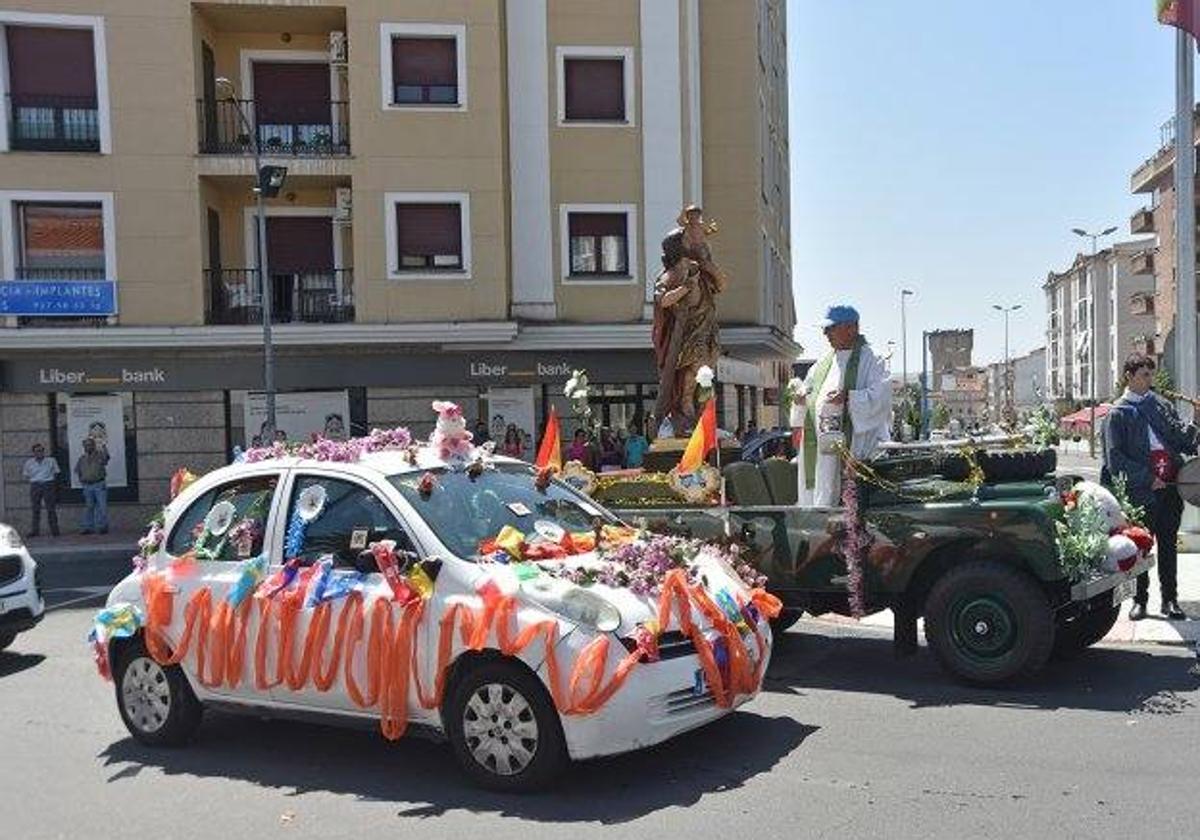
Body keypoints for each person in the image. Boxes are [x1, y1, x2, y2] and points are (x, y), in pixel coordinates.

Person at [1102, 353, 1196, 620]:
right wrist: (1147, 478)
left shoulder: (1161, 405)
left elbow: (1183, 441)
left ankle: (1170, 600)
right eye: (1145, 374)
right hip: (1141, 491)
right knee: (1139, 546)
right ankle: (1139, 601)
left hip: (1170, 486)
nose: (1150, 379)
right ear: (1129, 376)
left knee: (1168, 545)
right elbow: (1115, 459)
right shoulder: (1117, 414)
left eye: (1151, 374)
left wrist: (1196, 421)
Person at [796, 305, 892, 507]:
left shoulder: (873, 359)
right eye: (825, 329)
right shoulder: (823, 363)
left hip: (855, 449)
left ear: (852, 328)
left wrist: (849, 397)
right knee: (822, 492)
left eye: (831, 328)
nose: (825, 334)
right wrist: (802, 396)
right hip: (821, 451)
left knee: (848, 501)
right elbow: (808, 388)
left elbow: (881, 398)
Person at [652, 205, 728, 437]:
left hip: (707, 324)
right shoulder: (670, 275)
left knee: (708, 366)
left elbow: (722, 284)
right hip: (687, 331)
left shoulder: (699, 268)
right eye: (688, 238)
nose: (695, 239)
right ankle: (686, 405)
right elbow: (662, 300)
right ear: (679, 247)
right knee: (694, 366)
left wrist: (708, 266)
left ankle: (701, 412)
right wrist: (685, 288)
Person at [22, 443, 61, 538]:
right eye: (37, 451)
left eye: (41, 450)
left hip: (48, 484)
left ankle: (55, 530)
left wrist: (50, 482)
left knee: (51, 508)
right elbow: (26, 475)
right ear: (33, 453)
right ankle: (35, 531)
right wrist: (35, 482)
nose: (39, 453)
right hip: (35, 485)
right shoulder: (29, 462)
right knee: (35, 509)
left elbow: (56, 472)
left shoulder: (51, 460)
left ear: (43, 451)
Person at [74, 436, 110, 534]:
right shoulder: (82, 458)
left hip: (99, 484)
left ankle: (102, 527)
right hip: (87, 486)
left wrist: (103, 446)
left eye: (90, 445)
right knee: (89, 507)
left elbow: (107, 458)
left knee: (102, 506)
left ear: (94, 446)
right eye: (86, 445)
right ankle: (88, 527)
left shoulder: (100, 456)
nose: (88, 447)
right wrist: (81, 480)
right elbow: (77, 471)